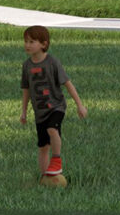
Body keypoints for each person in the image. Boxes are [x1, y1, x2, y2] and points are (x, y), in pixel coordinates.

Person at [18, 24, 86, 179]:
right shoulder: (27, 66)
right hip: (39, 112)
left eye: (32, 42)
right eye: (26, 41)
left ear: (44, 44)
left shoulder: (52, 62)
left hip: (56, 107)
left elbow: (67, 84)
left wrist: (79, 105)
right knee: (43, 147)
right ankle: (45, 177)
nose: (27, 45)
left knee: (52, 130)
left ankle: (56, 160)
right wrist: (23, 112)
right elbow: (26, 90)